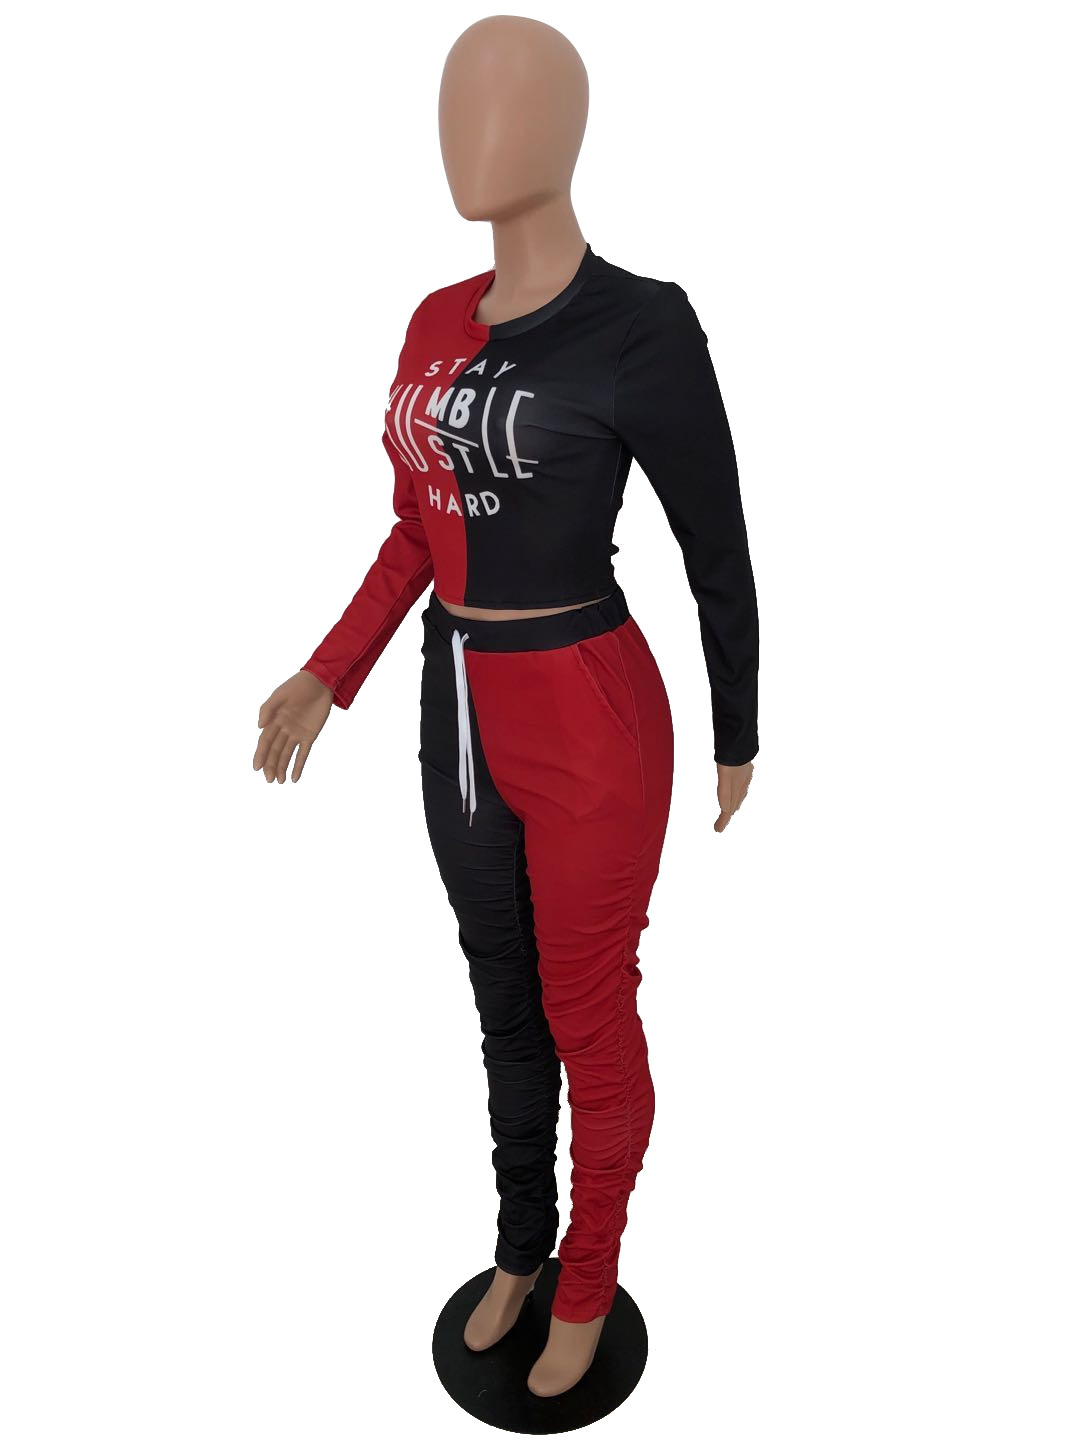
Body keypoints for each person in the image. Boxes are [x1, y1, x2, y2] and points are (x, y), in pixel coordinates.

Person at [252, 15, 758, 1402]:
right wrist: (331, 668)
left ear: (565, 128)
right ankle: (521, 1250)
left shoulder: (642, 324)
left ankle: (589, 1281)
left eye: (503, 101)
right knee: (503, 1001)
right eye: (452, 102)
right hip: (459, 705)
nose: (466, 134)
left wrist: (738, 725)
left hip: (589, 712)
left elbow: (716, 542)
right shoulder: (432, 320)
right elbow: (419, 532)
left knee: (590, 1013)